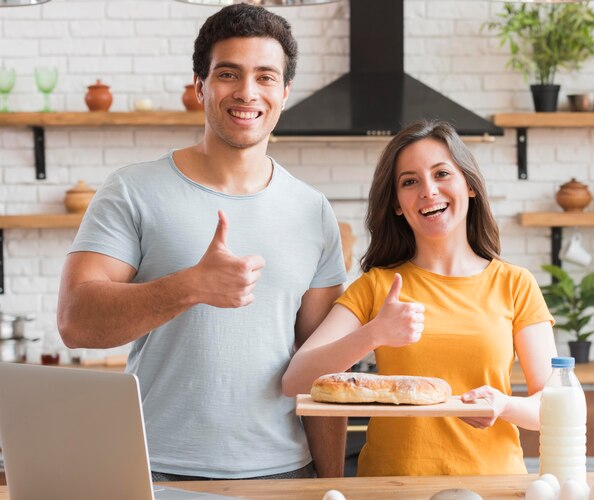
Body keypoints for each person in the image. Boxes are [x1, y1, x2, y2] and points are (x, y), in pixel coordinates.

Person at [57, 4, 347, 481]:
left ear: (285, 92)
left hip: (282, 477)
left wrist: (331, 486)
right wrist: (189, 286)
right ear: (201, 87)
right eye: (229, 73)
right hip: (157, 473)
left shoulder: (313, 211)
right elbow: (75, 322)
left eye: (266, 77)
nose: (247, 92)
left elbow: (323, 368)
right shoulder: (133, 189)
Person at [282, 119, 558, 477]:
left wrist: (503, 406)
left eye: (441, 174)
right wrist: (374, 333)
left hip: (492, 486)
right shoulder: (377, 285)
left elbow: (553, 406)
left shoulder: (515, 284)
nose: (428, 190)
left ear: (469, 186)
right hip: (391, 486)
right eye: (409, 182)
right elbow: (295, 380)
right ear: (398, 204)